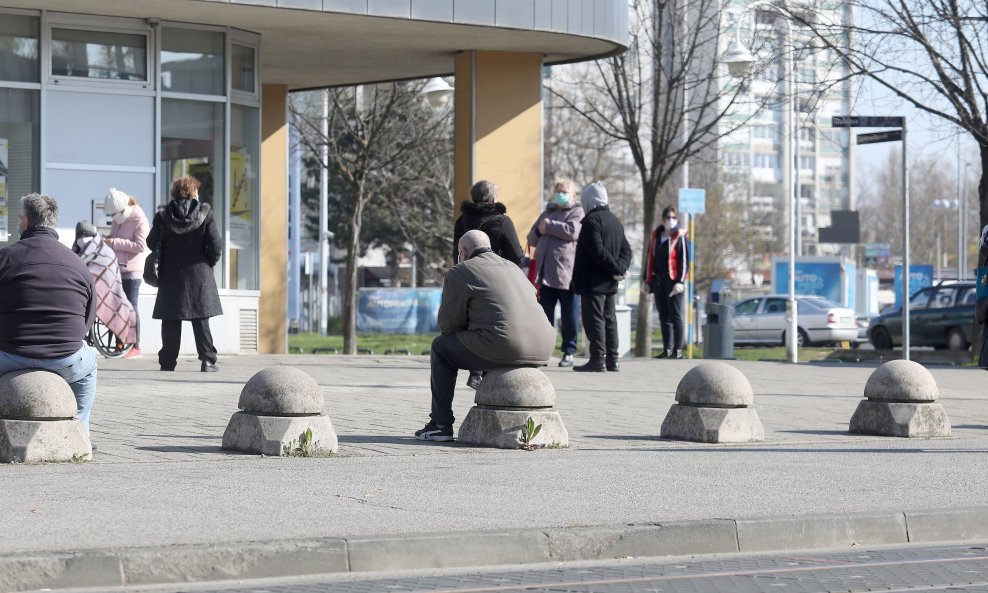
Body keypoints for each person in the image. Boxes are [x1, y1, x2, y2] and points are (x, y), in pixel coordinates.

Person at [415, 230, 556, 441]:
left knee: (440, 347)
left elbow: (448, 325)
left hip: (504, 345)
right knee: (487, 337)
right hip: (544, 346)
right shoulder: (514, 268)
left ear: (462, 252)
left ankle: (440, 424)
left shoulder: (461, 270)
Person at [0, 194, 98, 435]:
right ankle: (79, 433)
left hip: (9, 354)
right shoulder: (76, 262)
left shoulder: (5, 257)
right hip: (65, 358)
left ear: (25, 222)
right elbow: (88, 317)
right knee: (90, 365)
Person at [451, 180, 525, 389]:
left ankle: (475, 373)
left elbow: (456, 252)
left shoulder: (462, 221)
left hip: (469, 277)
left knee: (474, 321)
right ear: (493, 198)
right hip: (498, 281)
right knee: (495, 322)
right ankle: (490, 371)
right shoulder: (502, 221)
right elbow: (516, 255)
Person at [148, 176, 223, 372]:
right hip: (199, 273)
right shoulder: (205, 213)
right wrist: (208, 263)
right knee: (201, 319)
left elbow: (150, 242)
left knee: (171, 320)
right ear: (193, 192)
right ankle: (207, 361)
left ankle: (168, 362)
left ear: (175, 192)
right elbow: (216, 245)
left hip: (171, 274)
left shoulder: (163, 215)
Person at [571, 181, 632, 373]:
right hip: (610, 281)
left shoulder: (591, 221)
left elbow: (597, 252)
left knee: (595, 319)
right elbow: (626, 250)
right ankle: (613, 360)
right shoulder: (615, 220)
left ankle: (598, 359)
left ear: (589, 200)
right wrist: (619, 269)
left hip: (593, 281)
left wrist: (616, 269)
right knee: (610, 319)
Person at [527, 179, 584, 367]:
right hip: (544, 275)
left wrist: (549, 226)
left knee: (569, 316)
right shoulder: (548, 211)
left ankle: (569, 351)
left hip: (565, 274)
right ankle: (544, 351)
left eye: (565, 191)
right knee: (544, 316)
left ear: (573, 195)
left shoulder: (577, 212)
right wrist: (540, 229)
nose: (561, 194)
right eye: (558, 190)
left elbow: (572, 232)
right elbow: (531, 238)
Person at [73, 220, 138, 349]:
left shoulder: (105, 252)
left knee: (123, 306)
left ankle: (121, 342)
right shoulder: (76, 251)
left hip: (107, 288)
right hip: (85, 290)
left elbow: (107, 273)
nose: (83, 240)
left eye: (85, 237)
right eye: (80, 237)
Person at [103, 188, 150, 358]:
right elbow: (114, 238)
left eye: (115, 213)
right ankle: (120, 344)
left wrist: (114, 242)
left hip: (131, 271)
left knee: (131, 308)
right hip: (115, 269)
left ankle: (135, 346)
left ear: (123, 209)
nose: (113, 217)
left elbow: (140, 246)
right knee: (115, 308)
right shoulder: (118, 218)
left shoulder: (139, 218)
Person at [643, 205, 690, 359]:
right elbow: (650, 258)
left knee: (675, 315)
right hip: (658, 280)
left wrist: (680, 281)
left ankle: (678, 350)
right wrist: (646, 280)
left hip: (673, 281)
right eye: (668, 218)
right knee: (664, 315)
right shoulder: (656, 236)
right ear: (663, 220)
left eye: (673, 217)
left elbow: (684, 261)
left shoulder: (680, 236)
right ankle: (667, 349)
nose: (671, 220)